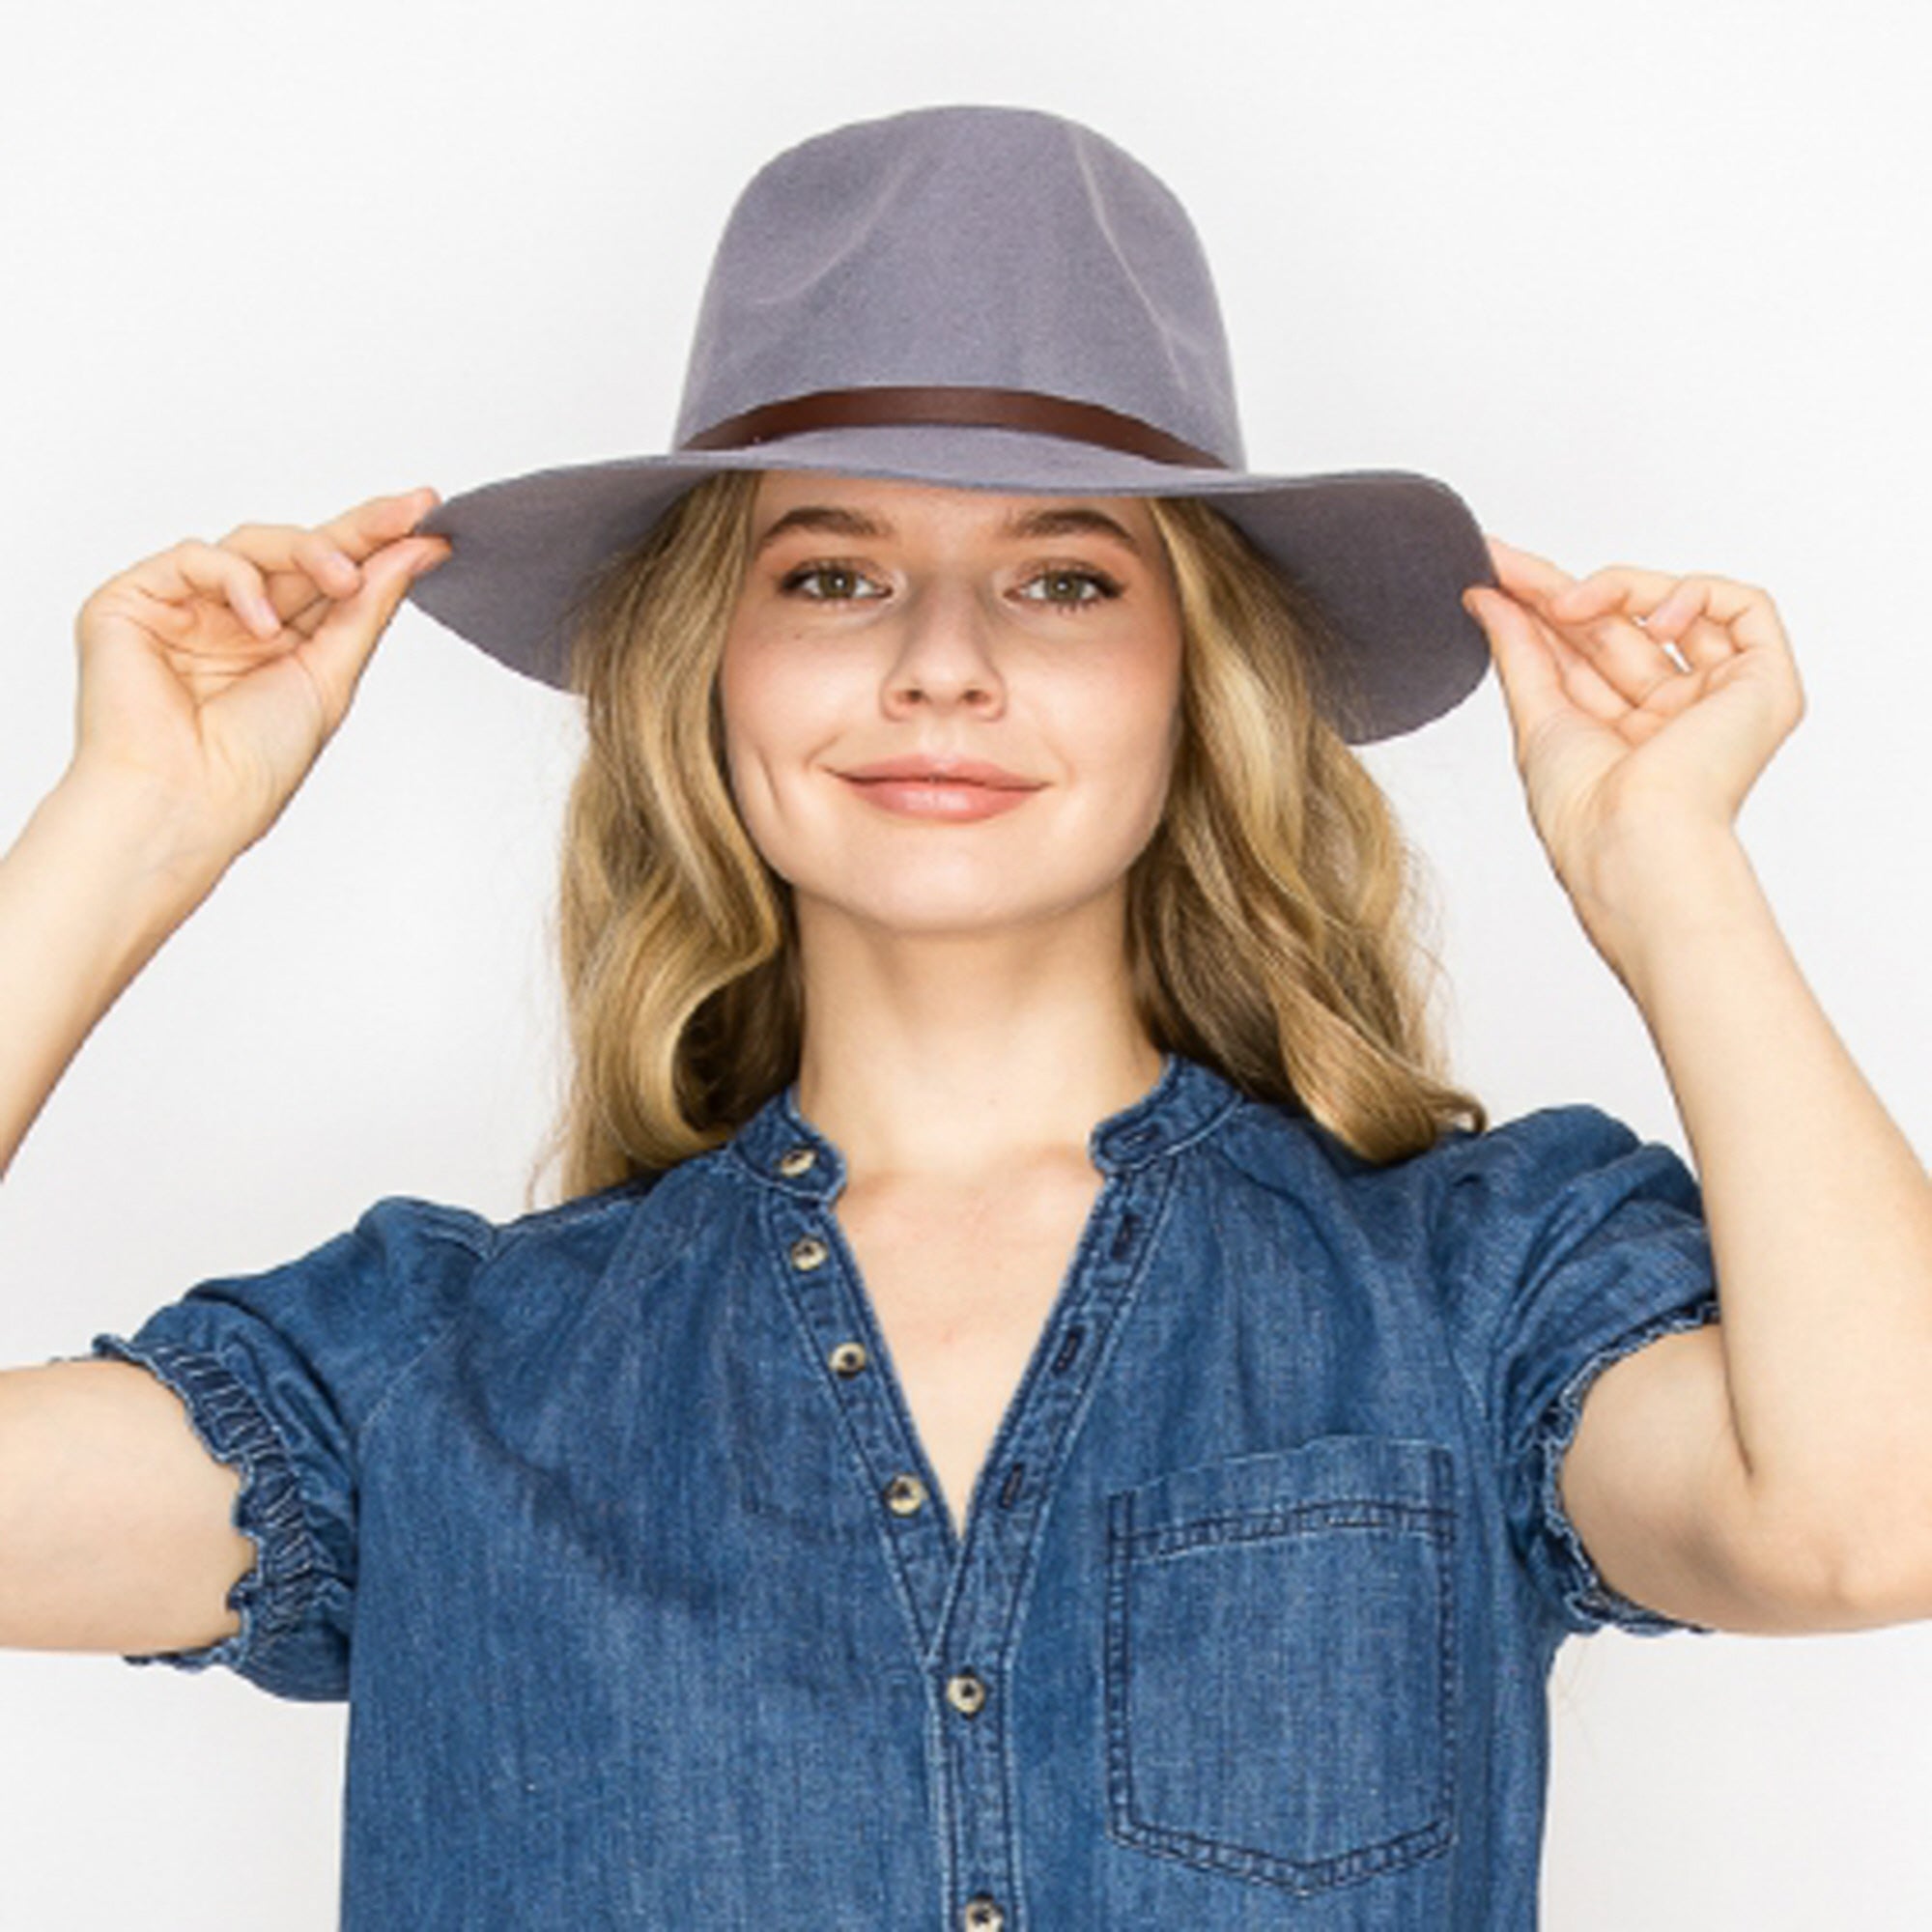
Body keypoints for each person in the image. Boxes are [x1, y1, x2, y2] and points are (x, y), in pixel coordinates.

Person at [1, 101, 1926, 1932]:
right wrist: (129, 825)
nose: (941, 665)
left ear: (1196, 677)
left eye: (1064, 579)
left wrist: (1666, 868)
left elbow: (1869, 1517)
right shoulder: (432, 1386)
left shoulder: (1468, 1297)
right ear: (712, 670)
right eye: (833, 574)